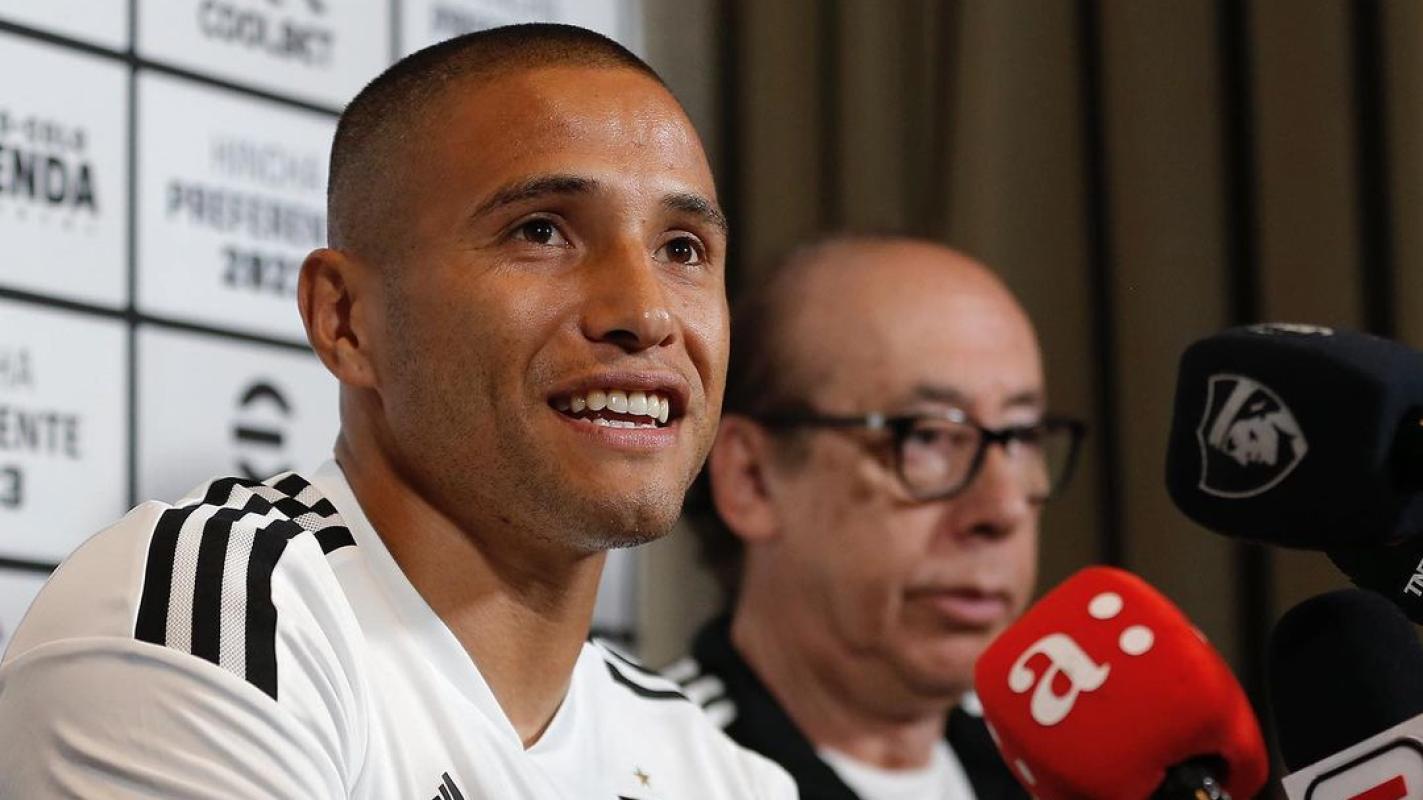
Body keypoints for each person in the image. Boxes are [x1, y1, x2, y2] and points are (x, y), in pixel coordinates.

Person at [0, 24, 795, 799]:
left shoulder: (719, 772)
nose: (646, 313)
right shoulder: (214, 611)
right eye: (541, 231)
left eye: (682, 249)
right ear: (345, 319)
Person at [670, 236, 1085, 800]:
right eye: (929, 437)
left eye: (1022, 437)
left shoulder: (1063, 772)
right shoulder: (653, 773)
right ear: (753, 480)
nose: (1004, 508)